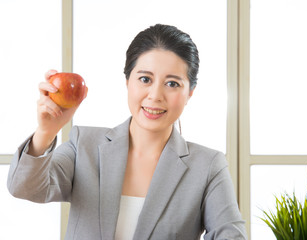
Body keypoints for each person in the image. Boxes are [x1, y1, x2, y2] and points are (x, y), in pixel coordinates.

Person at [7, 24, 247, 240]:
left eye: (172, 83)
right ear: (127, 82)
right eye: (145, 79)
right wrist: (46, 132)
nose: (155, 95)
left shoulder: (208, 166)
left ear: (190, 93)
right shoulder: (84, 145)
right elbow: (24, 187)